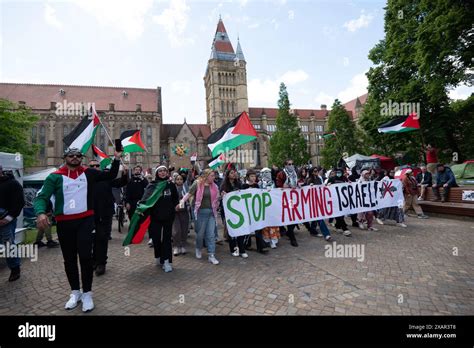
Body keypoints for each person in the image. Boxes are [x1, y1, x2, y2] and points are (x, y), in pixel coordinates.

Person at [34, 147, 121, 312]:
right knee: (69, 259)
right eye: (71, 155)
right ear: (65, 157)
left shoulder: (89, 173)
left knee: (86, 257)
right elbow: (41, 197)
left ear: (82, 158)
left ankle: (87, 293)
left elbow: (110, 176)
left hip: (85, 221)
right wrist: (40, 213)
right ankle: (75, 292)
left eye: (78, 156)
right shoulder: (55, 177)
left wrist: (116, 159)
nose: (75, 158)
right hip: (64, 223)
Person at [88, 160, 128, 276]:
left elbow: (120, 182)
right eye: (92, 166)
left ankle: (101, 263)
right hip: (90, 214)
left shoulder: (105, 178)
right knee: (92, 239)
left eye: (97, 165)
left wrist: (125, 174)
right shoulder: (86, 179)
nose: (95, 167)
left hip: (105, 213)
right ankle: (94, 260)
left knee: (102, 238)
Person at [140, 165, 179, 272]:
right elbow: (145, 198)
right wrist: (141, 206)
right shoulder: (152, 185)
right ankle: (158, 256)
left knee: (166, 240)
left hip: (168, 216)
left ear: (167, 173)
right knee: (156, 239)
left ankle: (167, 262)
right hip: (155, 217)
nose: (162, 173)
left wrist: (176, 205)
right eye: (160, 171)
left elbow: (175, 198)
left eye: (164, 171)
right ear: (157, 173)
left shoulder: (170, 185)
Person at [181, 169, 220, 265]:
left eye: (214, 176)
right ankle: (198, 248)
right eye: (212, 176)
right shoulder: (197, 184)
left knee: (211, 235)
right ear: (206, 176)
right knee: (200, 234)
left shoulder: (214, 186)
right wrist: (182, 201)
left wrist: (223, 196)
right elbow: (189, 193)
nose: (214, 177)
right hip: (200, 212)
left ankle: (211, 255)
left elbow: (217, 198)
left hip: (211, 212)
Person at [0, 165, 25, 282]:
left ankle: (15, 268)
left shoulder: (12, 184)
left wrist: (8, 218)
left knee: (9, 245)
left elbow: (19, 202)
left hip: (6, 220)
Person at [242, 169, 268, 255]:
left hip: (256, 210)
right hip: (247, 209)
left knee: (258, 228)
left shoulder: (256, 185)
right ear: (248, 177)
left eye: (254, 176)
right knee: (248, 228)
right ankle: (247, 244)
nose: (253, 178)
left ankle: (260, 247)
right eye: (252, 176)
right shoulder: (244, 186)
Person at [220, 168, 245, 254]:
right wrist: (223, 195)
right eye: (231, 173)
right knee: (232, 231)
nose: (234, 174)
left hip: (238, 211)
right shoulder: (224, 185)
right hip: (229, 212)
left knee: (240, 230)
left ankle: (242, 250)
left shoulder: (239, 183)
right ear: (227, 175)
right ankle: (234, 249)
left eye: (234, 173)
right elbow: (221, 198)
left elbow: (243, 193)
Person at [305, 167, 333, 242]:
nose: (316, 172)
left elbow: (322, 187)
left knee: (316, 217)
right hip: (313, 201)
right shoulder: (309, 180)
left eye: (317, 171)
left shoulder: (319, 178)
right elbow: (305, 190)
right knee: (319, 217)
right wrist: (309, 186)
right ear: (312, 172)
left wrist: (327, 185)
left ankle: (312, 230)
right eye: (315, 171)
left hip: (319, 200)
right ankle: (326, 234)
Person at [275, 159, 298, 247]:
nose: (291, 165)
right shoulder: (281, 174)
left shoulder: (295, 173)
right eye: (289, 164)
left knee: (296, 217)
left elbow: (297, 183)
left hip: (294, 198)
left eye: (292, 164)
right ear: (285, 165)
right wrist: (284, 187)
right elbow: (278, 185)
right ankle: (292, 238)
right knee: (290, 218)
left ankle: (289, 232)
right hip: (285, 199)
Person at [259, 167, 280, 248]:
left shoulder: (273, 183)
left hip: (273, 206)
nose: (267, 175)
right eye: (265, 173)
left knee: (273, 223)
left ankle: (274, 240)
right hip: (264, 206)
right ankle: (267, 239)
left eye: (268, 173)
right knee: (266, 224)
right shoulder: (260, 184)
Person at [327, 168, 352, 236]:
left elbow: (349, 184)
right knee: (338, 214)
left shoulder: (344, 178)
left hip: (342, 199)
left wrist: (350, 183)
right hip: (334, 199)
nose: (338, 173)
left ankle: (337, 226)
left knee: (341, 214)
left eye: (340, 172)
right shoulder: (332, 178)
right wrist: (328, 185)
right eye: (337, 172)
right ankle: (345, 228)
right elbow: (327, 187)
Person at [172, 174, 189, 256]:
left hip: (184, 211)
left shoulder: (186, 188)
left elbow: (189, 198)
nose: (179, 181)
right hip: (175, 212)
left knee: (184, 229)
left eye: (181, 179)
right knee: (176, 230)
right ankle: (176, 246)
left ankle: (183, 245)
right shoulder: (172, 188)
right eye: (177, 179)